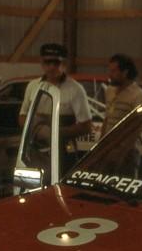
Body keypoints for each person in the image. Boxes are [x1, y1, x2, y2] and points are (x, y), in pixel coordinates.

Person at [18, 43, 91, 174]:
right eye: (47, 62)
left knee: (60, 187)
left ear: (64, 64)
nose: (51, 67)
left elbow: (86, 126)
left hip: (63, 152)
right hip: (34, 150)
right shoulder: (33, 86)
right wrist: (35, 129)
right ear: (41, 62)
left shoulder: (75, 89)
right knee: (32, 188)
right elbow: (22, 117)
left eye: (56, 62)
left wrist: (55, 133)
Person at [101, 53, 142, 136]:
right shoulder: (109, 91)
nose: (110, 75)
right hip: (107, 146)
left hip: (124, 146)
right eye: (110, 70)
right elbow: (107, 119)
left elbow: (137, 127)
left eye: (114, 71)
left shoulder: (138, 95)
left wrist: (125, 147)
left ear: (125, 72)